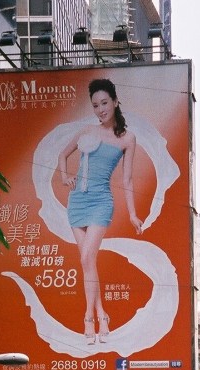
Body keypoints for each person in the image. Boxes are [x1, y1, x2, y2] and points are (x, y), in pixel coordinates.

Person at [59, 78, 143, 345]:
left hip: (101, 202)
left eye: (104, 103)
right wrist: (64, 177)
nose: (100, 110)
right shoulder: (87, 131)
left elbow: (127, 180)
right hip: (77, 202)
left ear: (115, 102)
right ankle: (102, 315)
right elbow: (63, 155)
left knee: (86, 259)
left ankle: (88, 317)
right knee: (88, 262)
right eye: (95, 105)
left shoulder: (127, 139)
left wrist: (132, 214)